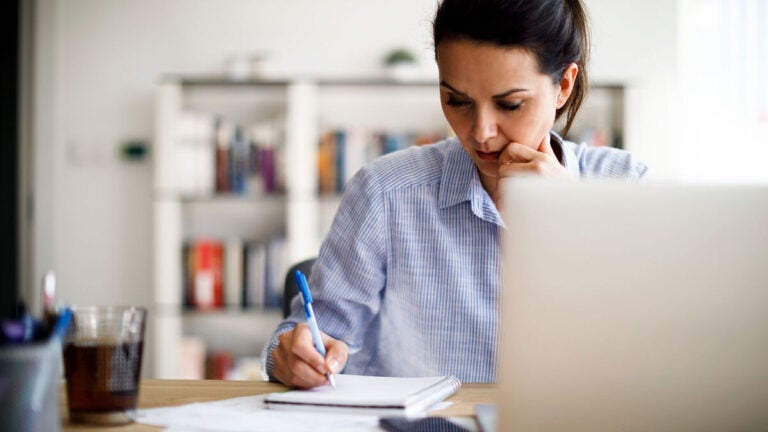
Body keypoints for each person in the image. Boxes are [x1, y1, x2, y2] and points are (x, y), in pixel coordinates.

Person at [262, 0, 648, 388]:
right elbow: (312, 336)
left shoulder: (625, 186)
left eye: (510, 104)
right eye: (457, 101)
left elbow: (651, 355)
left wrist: (577, 221)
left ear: (563, 85)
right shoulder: (385, 193)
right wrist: (291, 354)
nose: (481, 132)